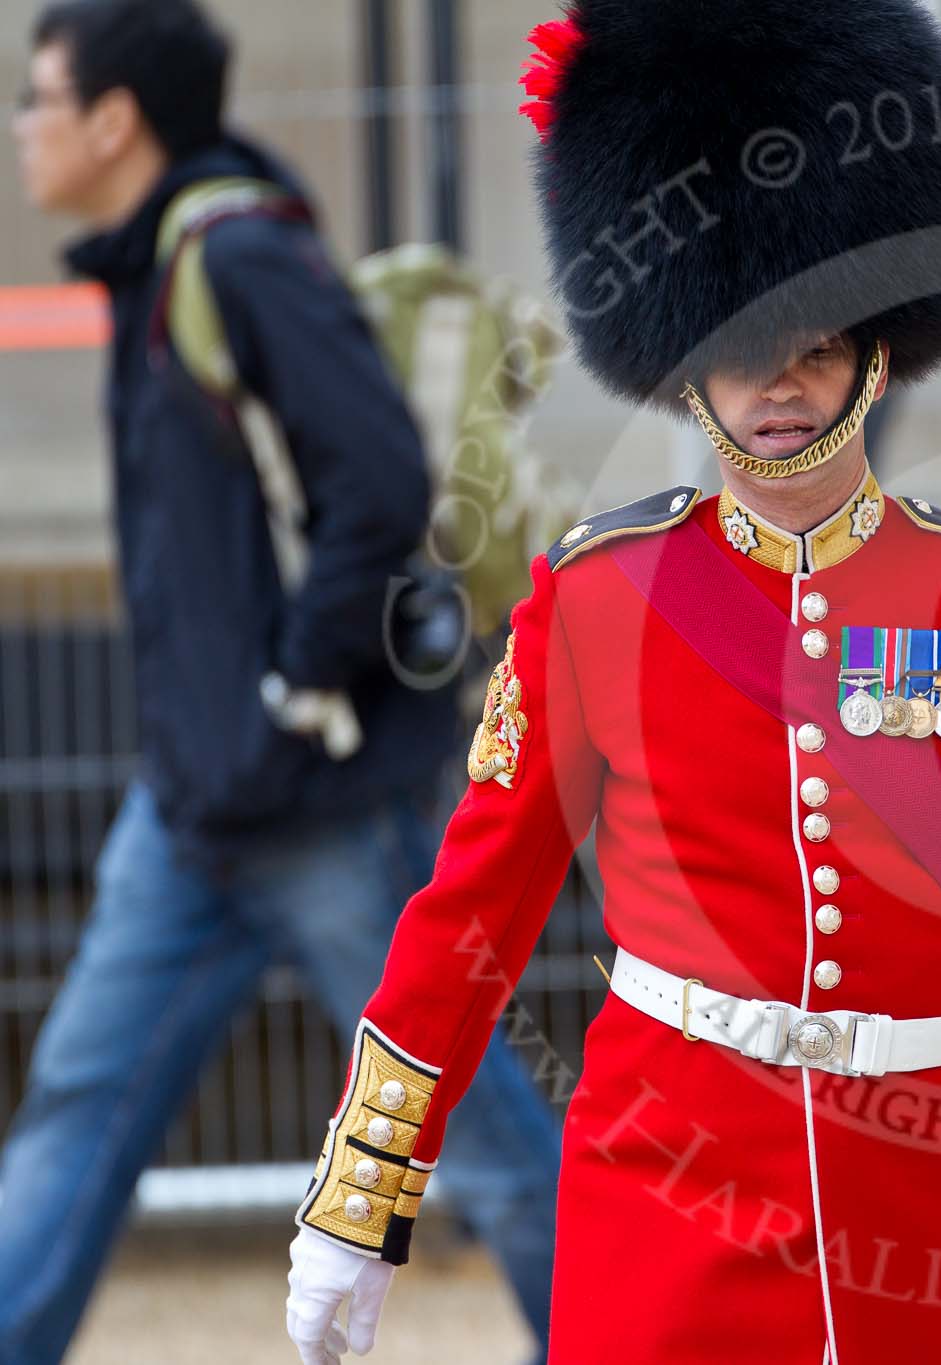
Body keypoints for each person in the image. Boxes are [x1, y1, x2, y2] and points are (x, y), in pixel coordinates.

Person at [281, 3, 941, 1363]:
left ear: (876, 346)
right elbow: (473, 914)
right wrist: (363, 1194)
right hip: (665, 1202)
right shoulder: (597, 600)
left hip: (928, 1218)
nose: (779, 383)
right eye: (739, 344)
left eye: (815, 341)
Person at [1, 2, 562, 1360]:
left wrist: (295, 691)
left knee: (467, 1125)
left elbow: (379, 486)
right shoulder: (160, 268)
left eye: (38, 98)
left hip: (323, 799)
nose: (24, 128)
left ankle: (612, 1341)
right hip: (193, 806)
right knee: (79, 1105)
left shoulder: (239, 257)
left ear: (114, 121)